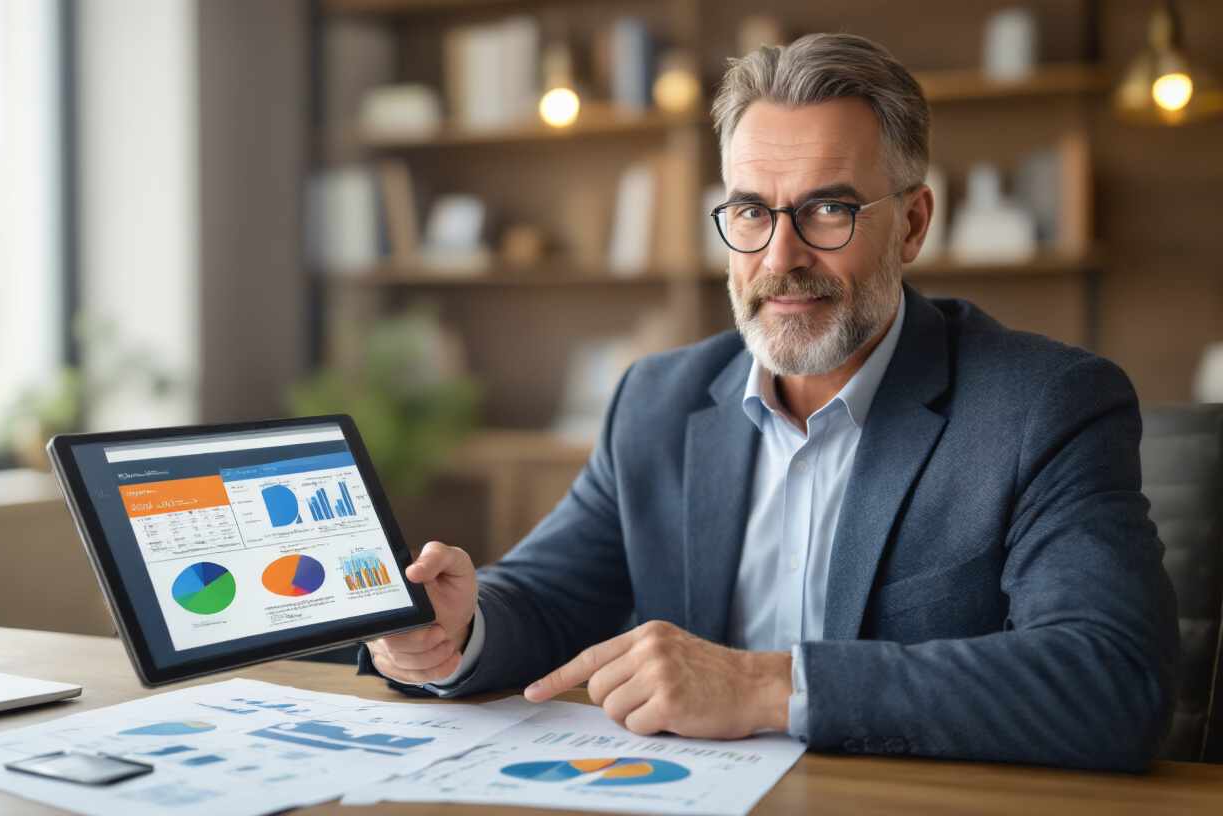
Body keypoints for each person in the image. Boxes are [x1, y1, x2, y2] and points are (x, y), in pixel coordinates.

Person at [359, 33, 1178, 772]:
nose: (781, 257)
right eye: (751, 211)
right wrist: (454, 631)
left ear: (912, 224)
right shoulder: (658, 399)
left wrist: (764, 686)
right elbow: (547, 595)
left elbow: (1113, 679)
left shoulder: (1045, 406)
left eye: (828, 209)